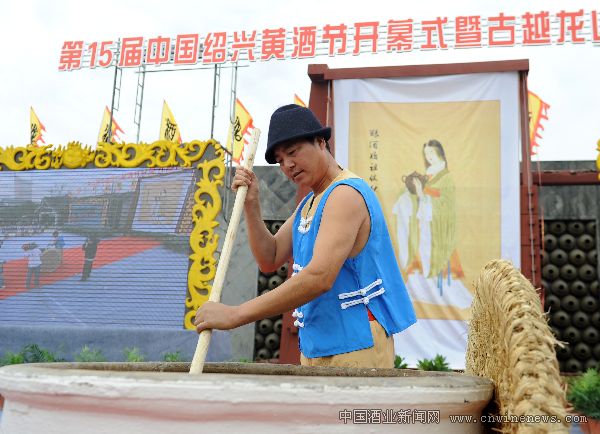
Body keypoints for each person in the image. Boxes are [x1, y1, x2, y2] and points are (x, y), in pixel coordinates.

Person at [194, 104, 416, 368]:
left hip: (356, 343)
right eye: (280, 160)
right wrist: (252, 205)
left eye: (292, 152)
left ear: (321, 142)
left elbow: (319, 277)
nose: (287, 165)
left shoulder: (345, 194)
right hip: (316, 344)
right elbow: (270, 257)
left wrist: (236, 315)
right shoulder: (309, 203)